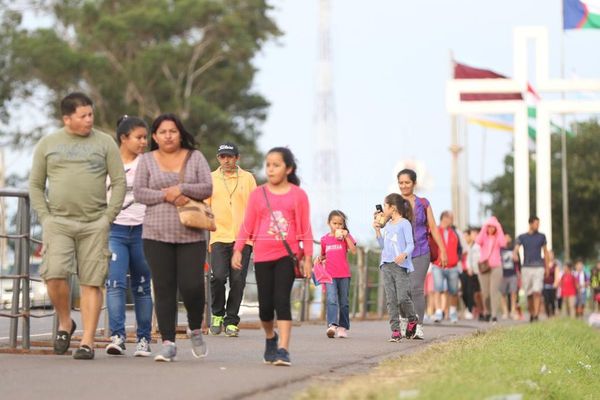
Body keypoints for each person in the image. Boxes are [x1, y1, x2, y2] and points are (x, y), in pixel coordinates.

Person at [29, 92, 126, 360]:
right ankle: (65, 322)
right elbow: (35, 185)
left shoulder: (105, 143)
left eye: (91, 114)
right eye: (83, 116)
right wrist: (46, 217)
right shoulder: (48, 143)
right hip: (58, 222)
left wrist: (108, 217)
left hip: (95, 222)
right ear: (67, 118)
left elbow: (119, 182)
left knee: (92, 281)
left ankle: (86, 342)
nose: (89, 120)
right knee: (54, 274)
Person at [133, 113, 212, 362]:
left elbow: (207, 187)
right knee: (164, 287)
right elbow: (139, 193)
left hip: (191, 234)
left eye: (173, 131)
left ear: (180, 133)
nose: (168, 135)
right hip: (156, 234)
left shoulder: (195, 157)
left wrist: (183, 189)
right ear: (155, 136)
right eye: (163, 132)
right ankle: (168, 342)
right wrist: (165, 195)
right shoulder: (146, 160)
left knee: (192, 286)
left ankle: (195, 328)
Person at [232, 147, 313, 367]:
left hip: (286, 256)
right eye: (268, 164)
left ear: (288, 169)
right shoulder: (258, 194)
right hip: (262, 256)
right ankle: (270, 338)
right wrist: (238, 249)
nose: (270, 169)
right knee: (266, 307)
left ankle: (284, 350)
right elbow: (247, 224)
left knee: (282, 301)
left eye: (276, 165)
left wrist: (307, 257)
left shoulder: (298, 195)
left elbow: (305, 229)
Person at [105, 116, 153, 357]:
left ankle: (144, 338)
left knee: (142, 286)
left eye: (145, 137)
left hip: (143, 231)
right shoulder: (108, 162)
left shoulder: (149, 163)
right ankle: (117, 336)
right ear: (124, 138)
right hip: (116, 230)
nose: (144, 142)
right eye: (139, 137)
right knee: (115, 284)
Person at [207, 142, 256, 337]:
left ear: (237, 158)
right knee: (218, 277)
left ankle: (231, 320)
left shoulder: (248, 178)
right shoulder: (211, 178)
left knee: (238, 280)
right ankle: (217, 314)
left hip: (243, 239)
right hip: (219, 236)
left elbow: (256, 207)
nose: (226, 160)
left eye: (229, 156)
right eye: (222, 157)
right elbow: (204, 208)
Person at [396, 169, 447, 339]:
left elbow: (433, 227)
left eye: (407, 182)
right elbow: (386, 224)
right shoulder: (394, 203)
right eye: (401, 183)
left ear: (414, 184)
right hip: (400, 254)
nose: (404, 186)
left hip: (421, 251)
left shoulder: (424, 203)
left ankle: (418, 327)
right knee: (403, 291)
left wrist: (443, 251)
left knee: (416, 288)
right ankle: (404, 323)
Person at [374, 193, 418, 342]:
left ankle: (412, 319)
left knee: (402, 298)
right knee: (391, 299)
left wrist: (404, 254)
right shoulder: (386, 226)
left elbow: (411, 244)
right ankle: (396, 331)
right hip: (386, 265)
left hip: (400, 266)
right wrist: (377, 230)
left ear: (392, 208)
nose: (383, 208)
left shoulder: (404, 223)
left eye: (385, 206)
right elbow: (382, 246)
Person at [318, 210, 356, 338]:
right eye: (335, 223)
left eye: (340, 224)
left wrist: (346, 236)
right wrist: (319, 259)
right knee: (331, 299)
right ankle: (332, 325)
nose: (338, 226)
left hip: (344, 275)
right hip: (329, 275)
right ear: (329, 223)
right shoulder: (324, 239)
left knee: (344, 301)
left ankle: (342, 327)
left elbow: (353, 250)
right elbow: (323, 255)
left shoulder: (346, 237)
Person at [513, 216, 550, 322]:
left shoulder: (542, 237)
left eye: (538, 224)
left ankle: (536, 315)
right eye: (536, 223)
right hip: (526, 267)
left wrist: (547, 267)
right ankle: (532, 312)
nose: (537, 226)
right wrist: (515, 254)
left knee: (537, 291)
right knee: (529, 293)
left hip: (539, 267)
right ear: (530, 224)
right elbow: (516, 248)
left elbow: (545, 252)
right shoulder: (522, 237)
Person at [431, 211, 462, 324]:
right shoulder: (435, 230)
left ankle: (453, 313)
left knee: (453, 291)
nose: (452, 220)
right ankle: (439, 312)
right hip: (437, 265)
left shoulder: (455, 232)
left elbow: (460, 248)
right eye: (451, 218)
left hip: (452, 266)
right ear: (444, 218)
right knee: (438, 289)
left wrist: (457, 259)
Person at [476, 216, 507, 322]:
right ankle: (487, 311)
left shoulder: (498, 237)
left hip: (496, 267)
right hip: (484, 267)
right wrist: (484, 226)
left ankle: (494, 314)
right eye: (489, 227)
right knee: (485, 293)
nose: (491, 229)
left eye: (493, 227)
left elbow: (503, 243)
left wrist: (498, 226)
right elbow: (477, 240)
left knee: (494, 291)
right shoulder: (483, 237)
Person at [462, 228, 483, 320]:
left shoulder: (476, 247)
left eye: (467, 236)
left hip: (477, 272)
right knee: (467, 292)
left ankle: (480, 310)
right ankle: (473, 309)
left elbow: (479, 258)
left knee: (477, 293)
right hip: (467, 271)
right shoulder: (464, 247)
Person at [499, 234, 520, 320]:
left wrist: (519, 273)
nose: (507, 238)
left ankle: (513, 311)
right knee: (503, 293)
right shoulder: (499, 249)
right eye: (505, 237)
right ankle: (505, 312)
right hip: (502, 274)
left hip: (513, 274)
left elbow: (519, 263)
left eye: (508, 237)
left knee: (513, 293)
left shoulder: (513, 249)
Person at [542, 251, 560, 318]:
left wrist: (555, 284)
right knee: (546, 301)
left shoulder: (555, 265)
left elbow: (557, 276)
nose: (550, 256)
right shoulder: (543, 264)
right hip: (545, 286)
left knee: (552, 301)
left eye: (551, 254)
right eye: (549, 255)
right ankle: (548, 315)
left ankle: (553, 314)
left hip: (552, 286)